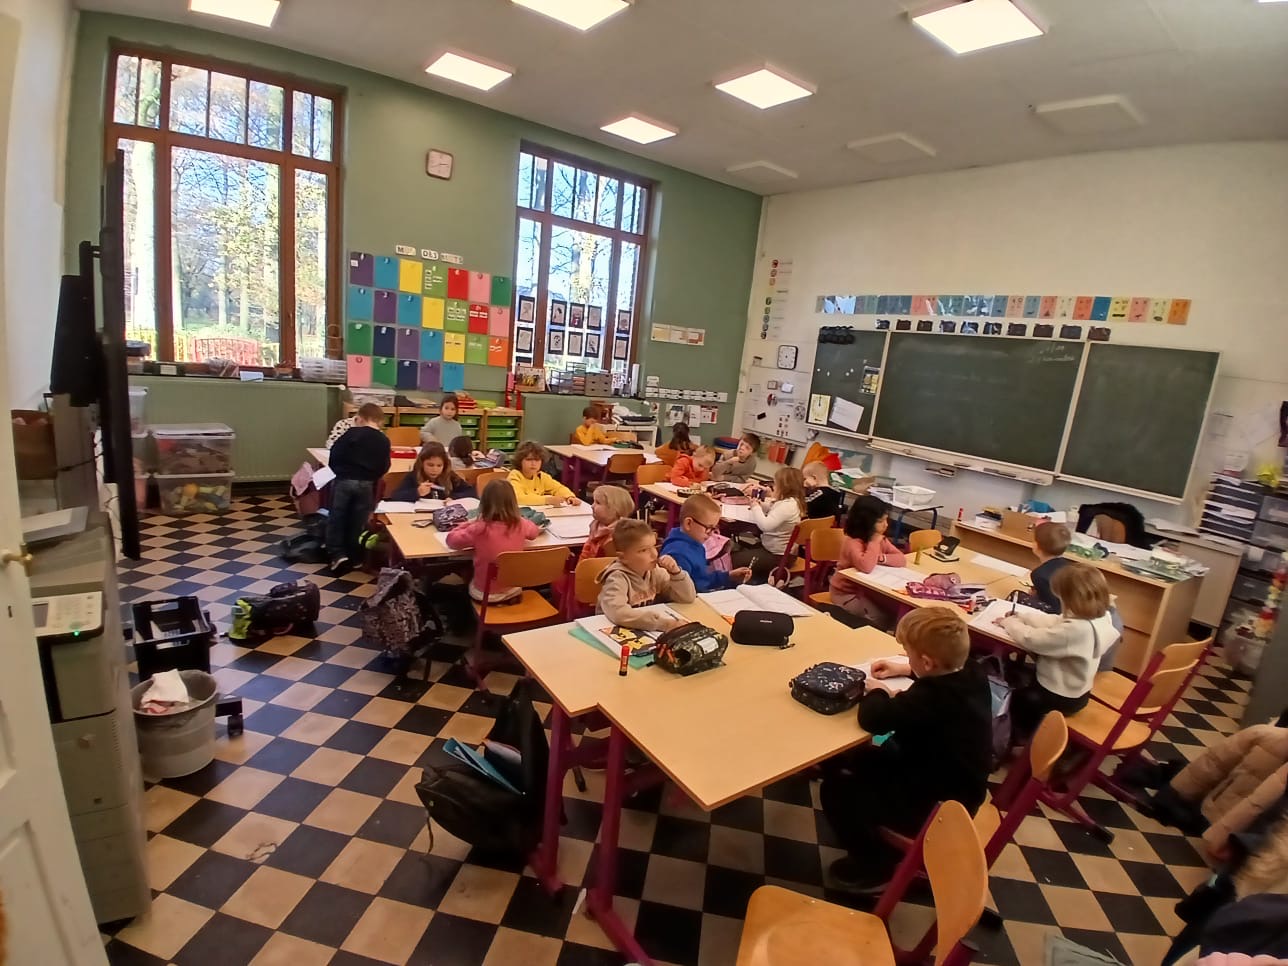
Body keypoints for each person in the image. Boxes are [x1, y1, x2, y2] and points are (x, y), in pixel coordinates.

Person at [820, 606, 992, 893]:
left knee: (836, 789)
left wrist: (876, 690)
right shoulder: (972, 671)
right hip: (959, 788)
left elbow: (873, 719)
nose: (907, 658)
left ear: (927, 662)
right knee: (858, 759)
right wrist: (905, 669)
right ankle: (863, 832)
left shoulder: (931, 696)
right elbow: (934, 679)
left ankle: (874, 866)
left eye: (909, 655)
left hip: (936, 807)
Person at [998, 563, 1119, 738]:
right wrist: (1023, 617)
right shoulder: (1098, 618)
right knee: (1022, 680)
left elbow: (1032, 639)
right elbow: (1056, 621)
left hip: (1057, 695)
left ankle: (1023, 740)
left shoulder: (1076, 631)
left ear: (1071, 600)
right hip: (1078, 692)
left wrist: (1009, 623)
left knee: (1015, 698)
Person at [445, 479, 542, 602]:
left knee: (466, 572)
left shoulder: (479, 528)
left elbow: (451, 541)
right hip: (513, 590)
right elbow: (534, 532)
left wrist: (468, 523)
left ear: (484, 503)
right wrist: (520, 518)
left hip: (485, 595)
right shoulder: (520, 524)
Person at [326, 402, 391, 575]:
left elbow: (334, 456)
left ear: (360, 418)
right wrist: (372, 477)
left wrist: (340, 472)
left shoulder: (351, 434)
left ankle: (337, 554)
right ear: (380, 421)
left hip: (344, 481)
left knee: (337, 518)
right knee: (358, 520)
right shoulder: (383, 440)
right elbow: (384, 466)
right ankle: (355, 556)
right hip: (366, 485)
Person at [596, 518, 696, 631]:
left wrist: (676, 573)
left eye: (654, 546)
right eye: (643, 550)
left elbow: (687, 598)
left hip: (644, 629)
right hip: (609, 629)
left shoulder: (655, 571)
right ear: (623, 557)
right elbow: (618, 613)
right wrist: (664, 624)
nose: (654, 554)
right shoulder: (617, 578)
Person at [829, 495, 906, 629]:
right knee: (881, 617)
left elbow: (901, 559)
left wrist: (879, 558)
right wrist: (874, 542)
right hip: (846, 594)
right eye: (881, 521)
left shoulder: (880, 539)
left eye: (886, 519)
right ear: (867, 522)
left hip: (869, 591)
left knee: (896, 611)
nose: (886, 525)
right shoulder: (852, 542)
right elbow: (866, 566)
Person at [660, 493, 752, 591]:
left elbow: (703, 578)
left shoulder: (695, 543)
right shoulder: (679, 555)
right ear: (688, 523)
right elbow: (685, 592)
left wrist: (729, 576)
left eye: (714, 528)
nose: (711, 534)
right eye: (708, 528)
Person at [731, 467, 806, 583]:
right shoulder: (791, 502)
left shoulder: (788, 506)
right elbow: (774, 510)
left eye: (775, 484)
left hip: (778, 556)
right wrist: (760, 505)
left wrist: (756, 507)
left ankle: (748, 582)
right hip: (777, 551)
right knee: (738, 554)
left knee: (733, 560)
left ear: (784, 486)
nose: (773, 487)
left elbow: (765, 526)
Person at [388, 441, 475, 502]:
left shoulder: (450, 476)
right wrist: (417, 492)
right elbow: (396, 496)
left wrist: (454, 498)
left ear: (444, 465)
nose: (435, 469)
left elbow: (471, 492)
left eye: (439, 466)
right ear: (422, 463)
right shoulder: (414, 476)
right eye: (430, 465)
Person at [507, 440, 579, 506]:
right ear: (520, 461)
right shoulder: (515, 476)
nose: (533, 463)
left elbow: (558, 488)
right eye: (529, 459)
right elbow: (518, 498)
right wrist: (547, 500)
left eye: (537, 460)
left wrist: (569, 497)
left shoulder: (541, 476)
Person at [580, 484, 636, 562]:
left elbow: (609, 564)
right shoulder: (596, 526)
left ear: (615, 510)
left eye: (598, 503)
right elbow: (586, 551)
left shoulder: (616, 537)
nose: (592, 506)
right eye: (593, 501)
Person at [1029, 521, 1073, 613]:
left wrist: (1035, 597)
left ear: (1036, 545)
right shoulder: (1068, 566)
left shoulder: (1039, 575)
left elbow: (1050, 608)